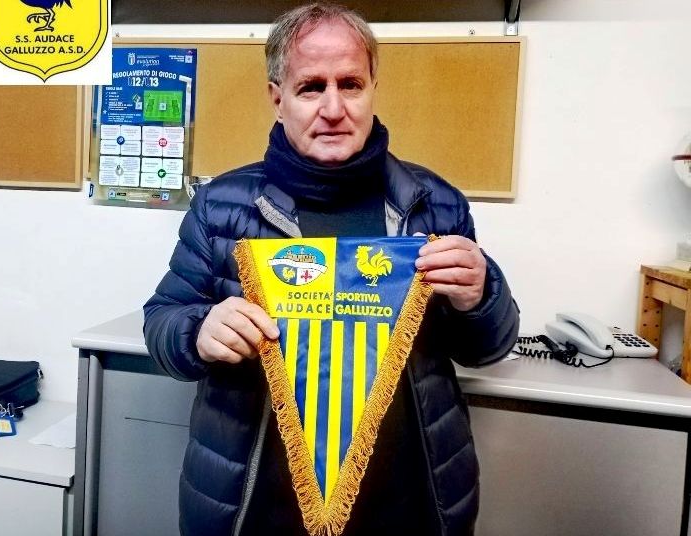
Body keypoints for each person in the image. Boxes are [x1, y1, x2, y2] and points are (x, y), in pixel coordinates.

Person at [143, 3, 520, 535]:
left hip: (408, 505)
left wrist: (480, 294)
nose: (334, 107)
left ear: (373, 89)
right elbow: (161, 321)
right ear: (278, 98)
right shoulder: (222, 206)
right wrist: (198, 331)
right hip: (255, 509)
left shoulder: (434, 204)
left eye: (351, 84)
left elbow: (486, 349)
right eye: (311, 87)